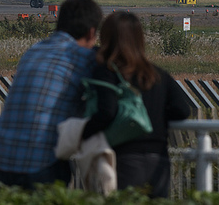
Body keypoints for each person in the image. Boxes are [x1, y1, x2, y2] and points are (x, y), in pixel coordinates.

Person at [0, 0, 102, 189]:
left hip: (0, 161)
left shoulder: (34, 50)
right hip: (40, 164)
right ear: (92, 33)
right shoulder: (84, 57)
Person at [80, 11, 190, 198]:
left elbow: (107, 112)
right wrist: (154, 116)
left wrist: (81, 134)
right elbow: (182, 110)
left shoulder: (107, 73)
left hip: (126, 158)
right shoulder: (157, 74)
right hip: (159, 159)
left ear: (106, 38)